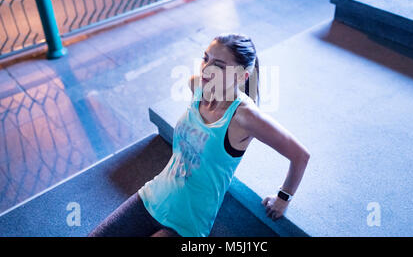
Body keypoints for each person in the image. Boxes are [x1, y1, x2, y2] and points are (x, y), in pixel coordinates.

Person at [88, 33, 310, 237]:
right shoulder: (196, 85)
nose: (206, 69)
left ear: (242, 76)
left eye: (219, 66)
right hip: (153, 196)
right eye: (206, 58)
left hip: (187, 222)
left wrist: (283, 198)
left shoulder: (245, 118)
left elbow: (301, 155)